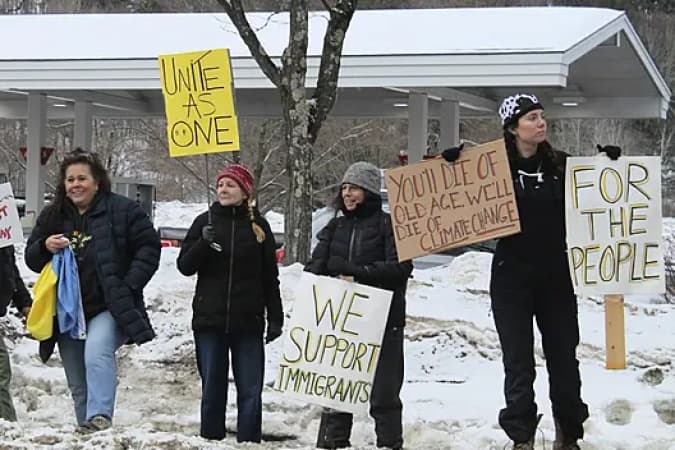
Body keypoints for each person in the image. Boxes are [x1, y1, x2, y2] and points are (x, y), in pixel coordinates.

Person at [443, 94, 620, 450]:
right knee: (518, 363)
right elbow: (450, 201)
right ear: (512, 128)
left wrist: (610, 164)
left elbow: (598, 191)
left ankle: (568, 434)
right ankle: (521, 436)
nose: (541, 123)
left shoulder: (561, 165)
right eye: (532, 118)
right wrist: (451, 169)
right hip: (511, 277)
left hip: (555, 275)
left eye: (542, 116)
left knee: (564, 359)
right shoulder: (492, 171)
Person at [25, 148, 160, 433]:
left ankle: (100, 417)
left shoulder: (124, 210)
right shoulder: (53, 215)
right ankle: (88, 432)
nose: (75, 184)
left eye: (82, 178)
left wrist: (129, 285)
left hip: (109, 305)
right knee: (77, 380)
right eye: (70, 179)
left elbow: (149, 248)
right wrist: (44, 246)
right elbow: (31, 259)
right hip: (68, 309)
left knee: (97, 352)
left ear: (97, 182)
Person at [305, 161, 413, 450]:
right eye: (344, 188)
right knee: (339, 388)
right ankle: (333, 443)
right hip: (342, 319)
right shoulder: (334, 226)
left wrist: (358, 273)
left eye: (353, 188)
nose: (347, 194)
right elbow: (314, 267)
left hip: (383, 319)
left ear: (367, 191)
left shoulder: (388, 225)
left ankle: (390, 443)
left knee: (385, 392)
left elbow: (400, 268)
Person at [176, 163, 283, 443]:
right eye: (221, 184)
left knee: (250, 389)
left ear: (245, 192)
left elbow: (270, 276)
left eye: (230, 185)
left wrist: (275, 317)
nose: (223, 189)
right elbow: (184, 267)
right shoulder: (204, 222)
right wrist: (202, 243)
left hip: (248, 321)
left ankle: (249, 441)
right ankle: (210, 440)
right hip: (209, 321)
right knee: (213, 387)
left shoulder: (259, 227)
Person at [0, 245, 32, 422]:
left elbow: (10, 271)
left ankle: (6, 424)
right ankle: (5, 424)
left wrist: (25, 303)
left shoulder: (5, 239)